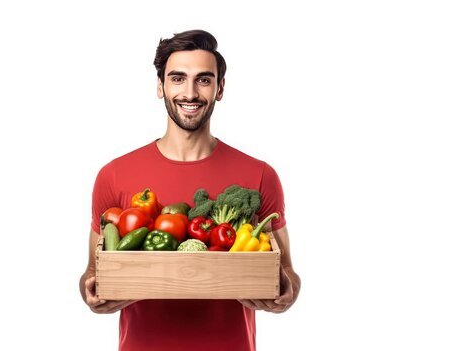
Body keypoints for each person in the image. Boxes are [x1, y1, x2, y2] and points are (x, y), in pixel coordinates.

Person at [80, 29, 301, 351]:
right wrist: (92, 294)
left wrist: (285, 292)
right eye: (178, 78)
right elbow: (92, 271)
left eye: (204, 80)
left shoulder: (260, 175)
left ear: (220, 88)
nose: (190, 93)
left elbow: (288, 275)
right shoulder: (114, 175)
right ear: (161, 86)